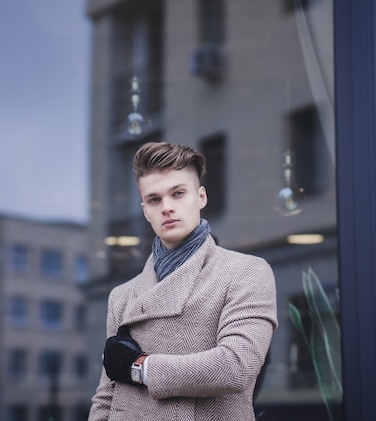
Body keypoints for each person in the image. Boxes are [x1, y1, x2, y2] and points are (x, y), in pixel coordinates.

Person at [88, 142, 278, 421]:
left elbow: (236, 366)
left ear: (201, 197)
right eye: (154, 200)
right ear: (145, 210)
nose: (167, 207)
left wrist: (139, 367)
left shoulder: (246, 271)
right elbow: (107, 396)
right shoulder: (123, 295)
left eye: (178, 194)